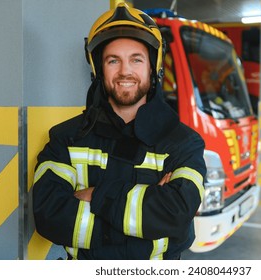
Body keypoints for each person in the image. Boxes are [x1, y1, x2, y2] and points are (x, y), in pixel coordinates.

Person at [32, 2, 206, 260]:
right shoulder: (65, 138)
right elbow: (49, 216)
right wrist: (146, 223)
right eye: (113, 60)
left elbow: (176, 213)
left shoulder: (184, 143)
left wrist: (96, 196)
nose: (125, 71)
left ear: (152, 67)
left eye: (136, 59)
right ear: (99, 69)